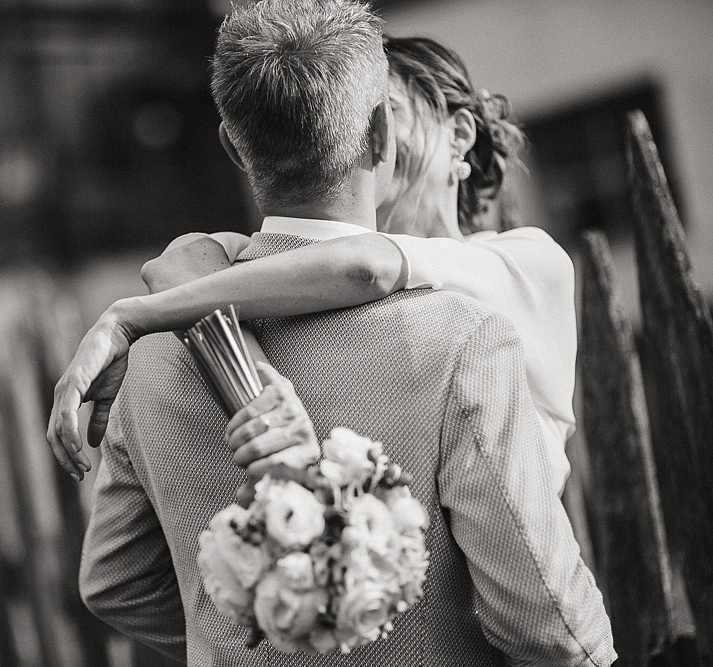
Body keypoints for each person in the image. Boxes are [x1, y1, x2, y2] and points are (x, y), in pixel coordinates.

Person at [60, 1, 615, 664]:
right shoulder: (462, 340)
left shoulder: (157, 359)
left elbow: (114, 583)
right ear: (382, 133)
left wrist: (255, 644)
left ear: (235, 146)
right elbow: (550, 629)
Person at [52, 35, 576, 496]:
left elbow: (364, 267)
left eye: (387, 109)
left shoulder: (527, 260)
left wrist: (131, 317)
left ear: (458, 135)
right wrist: (256, 382)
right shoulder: (311, 268)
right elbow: (181, 261)